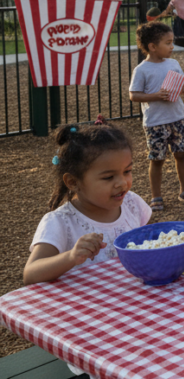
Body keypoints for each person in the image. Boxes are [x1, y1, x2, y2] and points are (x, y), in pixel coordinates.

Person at [24, 122, 152, 285]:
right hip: (84, 306)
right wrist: (71, 257)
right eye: (108, 177)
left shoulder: (132, 203)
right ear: (73, 182)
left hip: (133, 300)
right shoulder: (61, 222)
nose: (122, 183)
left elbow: (151, 242)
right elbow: (30, 274)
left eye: (127, 171)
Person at [128, 22, 184, 210]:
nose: (172, 47)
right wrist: (155, 96)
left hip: (178, 117)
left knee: (182, 154)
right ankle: (156, 197)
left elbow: (182, 85)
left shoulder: (174, 63)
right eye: (168, 43)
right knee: (157, 159)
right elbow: (133, 95)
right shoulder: (142, 70)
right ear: (153, 47)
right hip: (156, 122)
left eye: (172, 42)